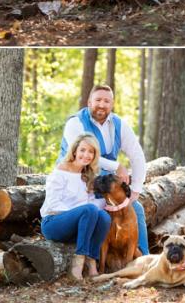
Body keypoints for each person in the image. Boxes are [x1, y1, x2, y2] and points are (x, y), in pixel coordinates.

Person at [59, 84, 149, 255]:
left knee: (136, 208)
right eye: (98, 100)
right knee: (97, 213)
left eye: (106, 101)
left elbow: (137, 156)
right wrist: (117, 166)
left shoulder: (119, 125)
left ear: (112, 104)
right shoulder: (75, 123)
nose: (102, 104)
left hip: (104, 186)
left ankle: (143, 259)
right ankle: (94, 259)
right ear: (89, 102)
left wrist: (136, 190)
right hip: (76, 184)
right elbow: (86, 156)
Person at [41, 133, 111, 280]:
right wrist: (81, 212)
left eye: (91, 152)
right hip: (53, 223)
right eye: (83, 150)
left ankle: (92, 263)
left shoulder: (87, 175)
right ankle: (77, 265)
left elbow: (92, 204)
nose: (86, 155)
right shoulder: (61, 171)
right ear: (74, 151)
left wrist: (108, 202)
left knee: (104, 217)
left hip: (77, 226)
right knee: (89, 209)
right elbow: (53, 204)